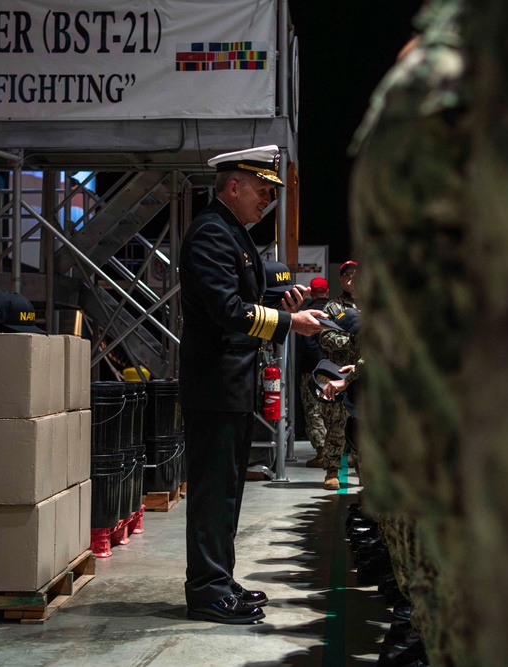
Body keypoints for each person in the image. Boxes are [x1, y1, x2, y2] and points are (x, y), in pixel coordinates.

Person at [178, 144, 327, 625]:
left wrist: (278, 297)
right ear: (235, 185)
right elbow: (227, 310)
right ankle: (205, 589)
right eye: (263, 191)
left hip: (230, 385)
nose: (267, 201)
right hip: (215, 386)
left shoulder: (230, 233)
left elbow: (244, 292)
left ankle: (219, 579)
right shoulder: (210, 234)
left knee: (226, 493)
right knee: (212, 493)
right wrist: (288, 323)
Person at [317, 261, 361, 490]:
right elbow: (324, 336)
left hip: (364, 376)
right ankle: (332, 470)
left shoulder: (372, 303)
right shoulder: (333, 307)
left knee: (362, 426)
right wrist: (351, 338)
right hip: (339, 374)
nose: (352, 279)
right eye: (348, 275)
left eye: (356, 274)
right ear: (342, 279)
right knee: (336, 424)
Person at [298, 276, 330, 467]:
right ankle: (333, 452)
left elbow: (308, 342)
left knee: (313, 411)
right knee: (332, 410)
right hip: (334, 370)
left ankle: (321, 452)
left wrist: (320, 363)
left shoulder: (307, 312)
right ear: (326, 291)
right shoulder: (335, 310)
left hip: (310, 370)